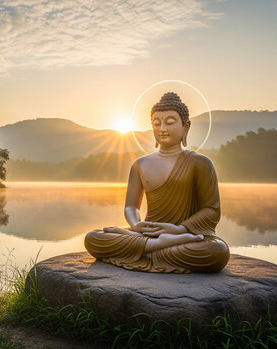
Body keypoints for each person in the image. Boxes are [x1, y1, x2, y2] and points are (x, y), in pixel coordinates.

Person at [84, 92, 229, 273]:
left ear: (186, 127)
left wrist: (178, 229)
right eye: (156, 123)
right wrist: (136, 225)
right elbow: (131, 206)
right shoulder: (140, 164)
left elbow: (211, 210)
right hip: (148, 232)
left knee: (217, 251)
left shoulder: (200, 163)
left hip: (187, 234)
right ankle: (158, 245)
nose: (162, 128)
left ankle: (147, 250)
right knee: (93, 238)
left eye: (169, 122)